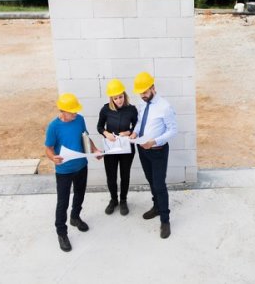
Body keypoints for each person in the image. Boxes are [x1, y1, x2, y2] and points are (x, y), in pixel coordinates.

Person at [44, 93, 100, 252]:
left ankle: (75, 217)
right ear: (62, 111)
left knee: (80, 194)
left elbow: (86, 137)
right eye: (72, 112)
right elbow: (48, 149)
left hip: (81, 166)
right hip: (64, 171)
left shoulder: (80, 119)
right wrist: (53, 158)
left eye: (76, 111)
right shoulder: (53, 127)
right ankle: (61, 232)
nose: (75, 114)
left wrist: (95, 150)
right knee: (63, 202)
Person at [132, 71, 177, 239]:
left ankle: (165, 220)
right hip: (142, 149)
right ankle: (156, 207)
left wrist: (155, 141)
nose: (142, 95)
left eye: (145, 92)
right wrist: (135, 133)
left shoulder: (165, 107)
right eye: (140, 93)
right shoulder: (143, 103)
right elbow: (139, 122)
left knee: (159, 184)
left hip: (157, 151)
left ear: (153, 88)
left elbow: (173, 130)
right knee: (150, 180)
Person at [97, 78, 138, 216]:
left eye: (120, 97)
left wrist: (129, 132)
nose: (119, 100)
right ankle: (113, 200)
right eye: (116, 98)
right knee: (111, 176)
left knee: (124, 175)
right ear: (111, 99)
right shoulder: (105, 109)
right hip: (111, 148)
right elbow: (99, 126)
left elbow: (138, 127)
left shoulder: (131, 110)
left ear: (124, 95)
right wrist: (106, 133)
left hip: (126, 148)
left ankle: (123, 200)